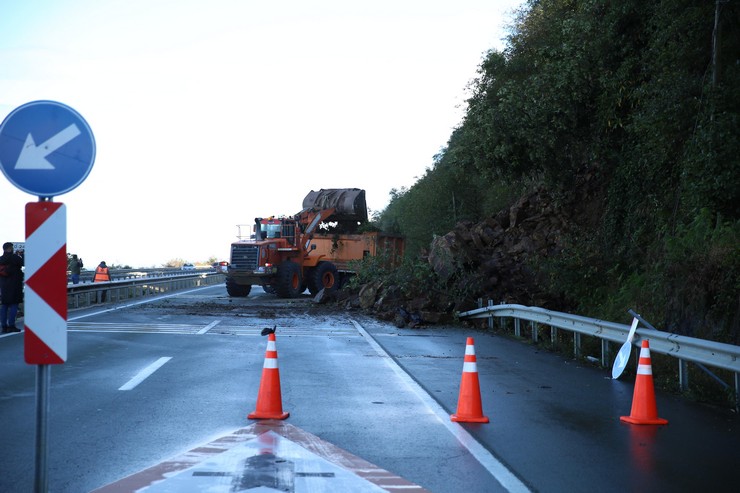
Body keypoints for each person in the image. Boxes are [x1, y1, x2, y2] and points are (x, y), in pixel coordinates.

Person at [0, 242, 24, 333]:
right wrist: (21, 254)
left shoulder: (1, 259)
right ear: (10, 248)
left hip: (4, 286)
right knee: (14, 305)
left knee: (4, 305)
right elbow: (24, 263)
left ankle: (4, 326)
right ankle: (11, 325)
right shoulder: (15, 258)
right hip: (14, 285)